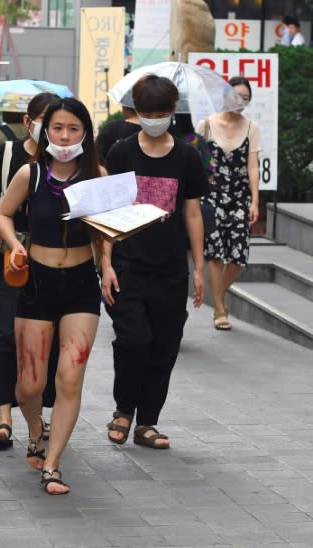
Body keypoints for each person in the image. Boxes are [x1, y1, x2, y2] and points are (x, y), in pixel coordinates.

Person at [0, 98, 103, 495]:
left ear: (85, 134)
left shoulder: (96, 176)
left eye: (74, 128)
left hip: (80, 286)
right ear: (45, 131)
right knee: (29, 385)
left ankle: (53, 465)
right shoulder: (31, 174)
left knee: (70, 377)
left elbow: (105, 232)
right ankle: (34, 427)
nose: (64, 136)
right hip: (37, 282)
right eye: (58, 128)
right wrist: (14, 244)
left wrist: (107, 268)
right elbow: (3, 213)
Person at [102, 75, 207, 451]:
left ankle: (148, 421)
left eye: (161, 113)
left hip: (170, 269)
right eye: (148, 113)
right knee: (133, 339)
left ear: (173, 112)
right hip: (128, 265)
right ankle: (122, 409)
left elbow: (193, 214)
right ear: (137, 112)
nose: (154, 119)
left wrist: (198, 269)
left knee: (164, 343)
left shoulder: (187, 156)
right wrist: (107, 262)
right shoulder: (121, 153)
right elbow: (109, 211)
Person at [0, 92, 59, 448]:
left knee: (46, 337)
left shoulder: (67, 162)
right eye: (44, 120)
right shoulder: (8, 153)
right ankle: (4, 415)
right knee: (6, 333)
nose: (51, 129)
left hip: (54, 256)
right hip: (11, 255)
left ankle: (37, 414)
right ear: (28, 121)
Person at [196, 76, 261, 331]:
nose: (240, 102)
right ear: (225, 96)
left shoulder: (251, 128)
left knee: (238, 257)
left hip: (239, 198)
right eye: (236, 96)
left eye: (245, 98)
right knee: (214, 253)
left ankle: (216, 296)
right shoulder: (206, 125)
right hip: (211, 196)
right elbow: (197, 162)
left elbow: (253, 166)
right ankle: (220, 311)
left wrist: (255, 201)